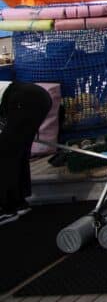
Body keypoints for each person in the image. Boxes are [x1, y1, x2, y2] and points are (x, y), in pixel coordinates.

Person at [0, 81, 54, 225]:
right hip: (38, 97)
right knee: (18, 152)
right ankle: (19, 202)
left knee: (6, 155)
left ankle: (7, 208)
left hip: (24, 99)